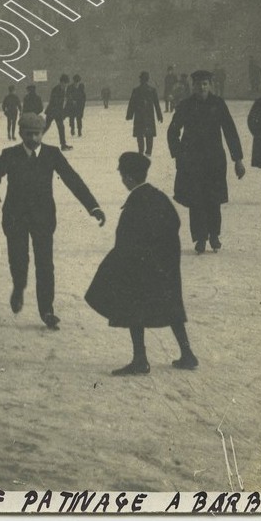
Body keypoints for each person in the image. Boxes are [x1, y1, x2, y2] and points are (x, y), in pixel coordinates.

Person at [0, 112, 105, 330]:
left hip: (43, 218)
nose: (33, 139)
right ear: (20, 133)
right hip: (15, 217)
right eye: (28, 134)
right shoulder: (10, 154)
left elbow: (72, 179)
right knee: (19, 259)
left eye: (37, 134)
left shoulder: (52, 154)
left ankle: (47, 310)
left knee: (45, 264)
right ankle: (19, 287)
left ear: (42, 133)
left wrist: (92, 206)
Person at [84, 152, 197, 376]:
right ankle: (187, 353)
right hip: (165, 265)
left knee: (133, 309)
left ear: (127, 178)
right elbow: (174, 223)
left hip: (140, 267)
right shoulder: (158, 196)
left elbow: (126, 240)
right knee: (171, 306)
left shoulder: (136, 203)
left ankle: (140, 359)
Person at [167, 69, 245, 254]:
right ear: (193, 86)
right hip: (192, 162)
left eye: (205, 84)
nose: (201, 87)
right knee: (196, 201)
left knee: (213, 199)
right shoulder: (186, 105)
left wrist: (238, 159)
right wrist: (179, 153)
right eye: (198, 84)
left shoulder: (218, 104)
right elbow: (172, 131)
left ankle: (214, 236)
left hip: (214, 161)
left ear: (210, 85)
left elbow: (230, 131)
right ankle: (200, 239)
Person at [126, 71, 165, 156]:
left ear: (140, 80)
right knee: (149, 134)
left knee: (140, 134)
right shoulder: (152, 90)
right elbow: (156, 104)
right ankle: (148, 151)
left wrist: (129, 115)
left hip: (139, 115)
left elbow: (132, 104)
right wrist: (159, 116)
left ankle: (141, 150)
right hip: (149, 115)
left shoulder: (136, 90)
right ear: (148, 79)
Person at [42, 75, 71, 151]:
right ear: (61, 82)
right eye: (65, 83)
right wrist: (60, 112)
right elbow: (54, 102)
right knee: (46, 127)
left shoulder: (62, 89)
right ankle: (35, 140)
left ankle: (63, 145)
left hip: (56, 112)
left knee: (60, 128)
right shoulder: (56, 89)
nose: (66, 85)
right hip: (52, 111)